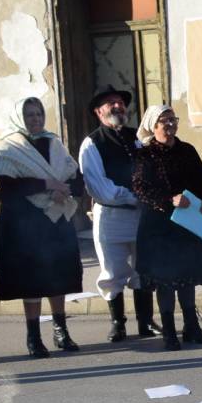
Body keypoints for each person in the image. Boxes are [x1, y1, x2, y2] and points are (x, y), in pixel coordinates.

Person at [0, 96, 83, 358]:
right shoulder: (8, 148)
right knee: (32, 281)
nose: (36, 119)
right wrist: (48, 186)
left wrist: (66, 190)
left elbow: (75, 177)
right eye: (30, 114)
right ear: (20, 117)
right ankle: (33, 337)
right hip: (26, 223)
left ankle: (60, 330)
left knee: (58, 275)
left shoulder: (55, 143)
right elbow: (5, 187)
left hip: (56, 218)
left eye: (39, 113)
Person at [131, 104, 202, 349]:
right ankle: (169, 331)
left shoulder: (187, 150)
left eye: (172, 120)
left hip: (188, 223)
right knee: (166, 279)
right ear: (153, 126)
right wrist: (170, 200)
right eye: (164, 121)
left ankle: (192, 326)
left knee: (188, 276)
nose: (170, 125)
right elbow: (140, 188)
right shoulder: (144, 155)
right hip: (159, 227)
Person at [78, 86, 155, 342]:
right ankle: (117, 323)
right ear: (99, 112)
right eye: (110, 103)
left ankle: (146, 321)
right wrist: (134, 197)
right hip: (111, 216)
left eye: (120, 102)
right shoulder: (92, 143)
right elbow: (99, 187)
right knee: (113, 271)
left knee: (143, 267)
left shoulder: (137, 138)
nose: (117, 106)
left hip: (141, 214)